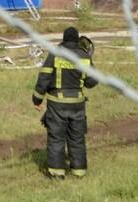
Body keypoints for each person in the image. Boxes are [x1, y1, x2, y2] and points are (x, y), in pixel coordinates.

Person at [33, 26, 98, 179]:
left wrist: (37, 99)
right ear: (77, 40)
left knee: (56, 137)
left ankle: (56, 173)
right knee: (77, 137)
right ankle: (79, 172)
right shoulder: (84, 56)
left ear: (63, 39)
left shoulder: (55, 54)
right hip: (77, 104)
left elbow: (44, 78)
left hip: (57, 104)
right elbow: (93, 81)